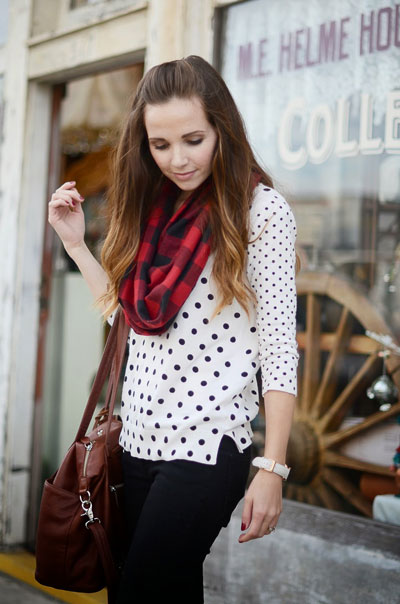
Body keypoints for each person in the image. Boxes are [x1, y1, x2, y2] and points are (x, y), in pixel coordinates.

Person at [48, 55, 298, 604]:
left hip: (208, 445)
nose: (178, 159)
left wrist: (272, 467)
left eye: (193, 139)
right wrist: (74, 244)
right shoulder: (150, 208)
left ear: (221, 130)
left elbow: (280, 348)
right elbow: (130, 320)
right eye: (161, 146)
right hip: (137, 440)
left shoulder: (260, 210)